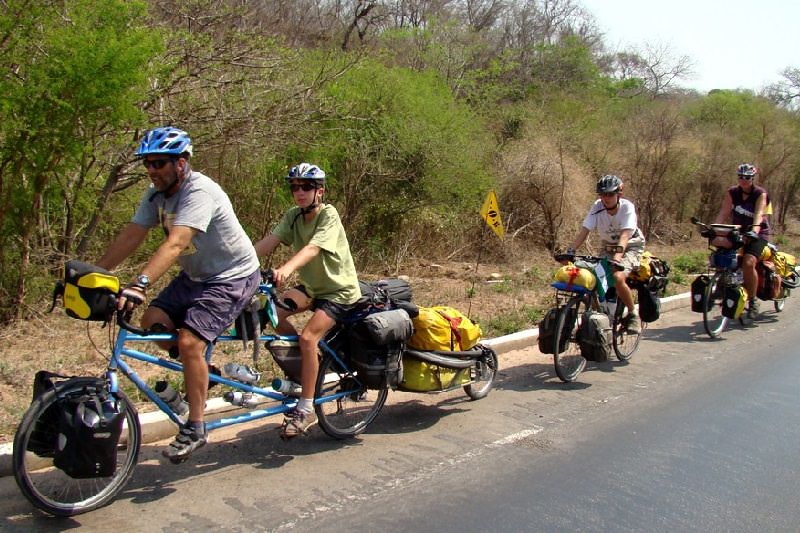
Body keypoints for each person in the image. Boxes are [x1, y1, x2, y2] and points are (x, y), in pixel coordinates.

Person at [97, 126, 261, 462]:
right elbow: (132, 234)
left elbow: (176, 242)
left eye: (158, 163)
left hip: (231, 277)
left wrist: (139, 283)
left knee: (189, 342)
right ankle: (206, 371)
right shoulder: (155, 193)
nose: (151, 171)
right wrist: (96, 273)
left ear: (181, 163)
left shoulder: (200, 191)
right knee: (153, 323)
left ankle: (196, 426)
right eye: (148, 164)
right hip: (195, 275)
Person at [254, 163, 361, 439]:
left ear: (320, 191)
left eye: (307, 187)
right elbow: (271, 240)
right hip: (313, 288)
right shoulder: (293, 216)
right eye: (295, 187)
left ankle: (306, 406)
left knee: (308, 338)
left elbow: (313, 248)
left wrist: (286, 269)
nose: (299, 192)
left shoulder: (329, 215)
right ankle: (305, 370)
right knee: (272, 314)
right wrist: (240, 264)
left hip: (339, 292)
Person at [566, 174, 645, 334]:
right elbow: (584, 231)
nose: (606, 198)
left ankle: (632, 313)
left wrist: (617, 259)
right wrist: (570, 251)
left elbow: (624, 236)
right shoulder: (597, 207)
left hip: (631, 245)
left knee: (617, 277)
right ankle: (603, 316)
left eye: (610, 194)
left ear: (618, 194)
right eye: (602, 194)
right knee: (593, 278)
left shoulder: (626, 207)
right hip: (609, 246)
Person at [713, 163, 770, 318]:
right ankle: (720, 282)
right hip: (738, 230)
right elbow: (723, 212)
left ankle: (753, 300)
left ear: (752, 178)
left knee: (748, 262)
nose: (743, 180)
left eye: (747, 177)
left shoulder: (759, 193)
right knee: (720, 250)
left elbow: (759, 214)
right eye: (740, 177)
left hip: (758, 233)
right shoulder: (732, 192)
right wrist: (715, 229)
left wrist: (754, 231)